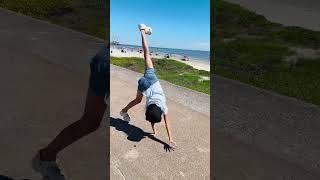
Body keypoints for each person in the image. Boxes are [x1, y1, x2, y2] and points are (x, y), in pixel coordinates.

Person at [32, 42, 110, 180]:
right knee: (89, 122)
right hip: (106, 66)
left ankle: (46, 156)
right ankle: (46, 157)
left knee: (91, 123)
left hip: (106, 63)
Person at [120, 24, 177, 148]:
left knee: (146, 53)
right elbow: (153, 118)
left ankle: (143, 31)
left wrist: (168, 136)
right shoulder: (149, 109)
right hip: (144, 84)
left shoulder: (162, 107)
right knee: (137, 100)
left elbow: (165, 122)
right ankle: (123, 111)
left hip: (151, 79)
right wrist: (168, 138)